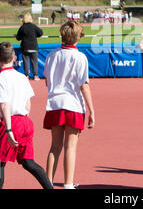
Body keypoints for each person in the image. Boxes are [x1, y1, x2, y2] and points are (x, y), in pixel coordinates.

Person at [0, 42, 53, 189]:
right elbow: (27, 104)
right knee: (28, 162)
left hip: (11, 122)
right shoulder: (22, 77)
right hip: (25, 121)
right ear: (14, 57)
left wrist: (8, 129)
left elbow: (4, 105)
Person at [43, 21, 95, 189]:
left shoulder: (52, 55)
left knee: (54, 146)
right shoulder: (80, 57)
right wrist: (91, 110)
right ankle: (68, 184)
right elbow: (84, 85)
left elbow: (47, 81)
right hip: (72, 104)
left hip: (55, 103)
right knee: (70, 147)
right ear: (78, 37)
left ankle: (48, 182)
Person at [15, 13, 43, 81]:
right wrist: (34, 35)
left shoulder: (22, 27)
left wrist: (16, 36)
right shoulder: (34, 26)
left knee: (26, 61)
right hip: (33, 46)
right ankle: (35, 75)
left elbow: (18, 37)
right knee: (34, 62)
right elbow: (40, 33)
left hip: (25, 47)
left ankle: (26, 75)